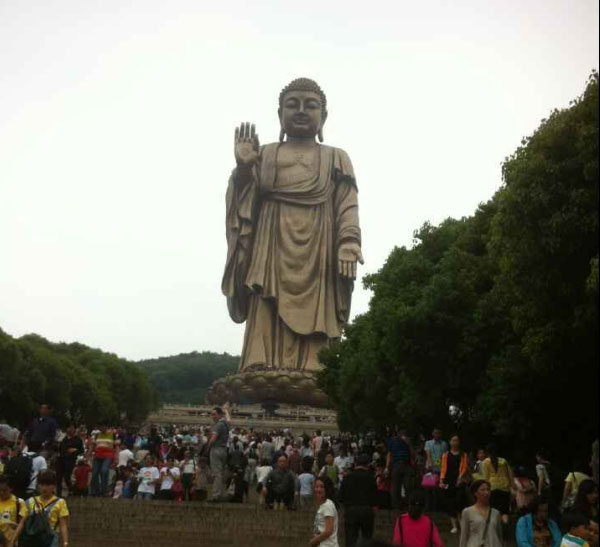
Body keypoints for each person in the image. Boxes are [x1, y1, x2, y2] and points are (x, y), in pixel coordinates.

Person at [13, 470, 69, 547]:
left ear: (54, 486)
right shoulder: (30, 502)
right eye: (42, 484)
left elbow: (63, 525)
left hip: (51, 541)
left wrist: (65, 542)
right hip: (32, 540)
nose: (44, 488)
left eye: (48, 485)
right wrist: (13, 540)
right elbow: (22, 523)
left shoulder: (60, 502)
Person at [339, 453, 378, 547]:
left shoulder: (347, 477)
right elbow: (375, 497)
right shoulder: (371, 478)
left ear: (356, 464)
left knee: (351, 540)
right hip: (367, 510)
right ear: (367, 465)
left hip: (351, 511)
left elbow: (341, 496)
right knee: (367, 539)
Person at [459, 480, 503, 547]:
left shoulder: (496, 513)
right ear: (475, 493)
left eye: (488, 489)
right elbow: (464, 536)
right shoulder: (467, 512)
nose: (486, 492)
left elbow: (499, 536)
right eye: (482, 490)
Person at [440, 434, 469, 533]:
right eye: (453, 440)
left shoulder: (463, 454)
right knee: (450, 503)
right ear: (450, 442)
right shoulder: (445, 455)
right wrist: (441, 480)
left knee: (459, 502)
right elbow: (443, 468)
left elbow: (464, 467)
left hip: (460, 481)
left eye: (457, 440)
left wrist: (460, 477)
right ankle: (454, 526)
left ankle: (462, 524)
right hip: (448, 480)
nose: (455, 442)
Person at [482, 444, 514, 525]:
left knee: (495, 511)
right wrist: (512, 487)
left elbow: (485, 478)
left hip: (493, 488)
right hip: (505, 488)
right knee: (505, 511)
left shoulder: (486, 462)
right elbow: (510, 475)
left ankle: (498, 528)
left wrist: (485, 490)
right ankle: (505, 525)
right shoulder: (503, 461)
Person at [386, 428, 414, 510]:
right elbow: (389, 454)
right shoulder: (393, 441)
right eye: (401, 433)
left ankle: (409, 505)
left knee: (408, 485)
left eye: (405, 433)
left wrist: (409, 445)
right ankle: (396, 506)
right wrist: (387, 467)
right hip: (396, 464)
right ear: (398, 433)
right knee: (395, 487)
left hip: (407, 464)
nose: (403, 434)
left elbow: (413, 454)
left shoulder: (409, 441)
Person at [207, 407, 229, 502]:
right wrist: (226, 411)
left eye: (214, 414)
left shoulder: (218, 425)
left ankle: (216, 495)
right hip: (223, 450)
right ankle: (221, 493)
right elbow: (229, 420)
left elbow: (213, 438)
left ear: (220, 415)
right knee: (220, 473)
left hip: (216, 449)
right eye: (212, 414)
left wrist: (208, 447)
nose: (212, 416)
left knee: (217, 474)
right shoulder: (225, 424)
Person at [311, 476, 339, 547]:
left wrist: (313, 541)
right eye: (316, 487)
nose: (318, 489)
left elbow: (328, 531)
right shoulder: (323, 505)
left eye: (322, 487)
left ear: (327, 488)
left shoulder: (327, 505)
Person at [55, 425, 83, 498]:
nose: (70, 430)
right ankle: (58, 493)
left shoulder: (77, 439)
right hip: (61, 458)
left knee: (67, 476)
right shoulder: (64, 439)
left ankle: (71, 490)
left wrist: (75, 450)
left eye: (71, 428)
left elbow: (81, 450)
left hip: (70, 459)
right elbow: (60, 448)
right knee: (58, 477)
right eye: (68, 428)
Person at [424, 429, 448, 512]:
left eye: (438, 433)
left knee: (439, 488)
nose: (437, 435)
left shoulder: (444, 444)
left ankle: (438, 507)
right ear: (432, 434)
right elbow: (428, 453)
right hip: (430, 468)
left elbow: (445, 455)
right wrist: (429, 462)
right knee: (429, 488)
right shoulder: (428, 443)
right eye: (435, 433)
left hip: (440, 469)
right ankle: (428, 507)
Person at [0, 474, 26, 547]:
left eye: (4, 490)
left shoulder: (19, 502)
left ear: (11, 488)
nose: (1, 493)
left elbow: (21, 523)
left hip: (11, 541)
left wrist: (12, 541)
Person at [90, 424, 115, 497]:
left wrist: (116, 458)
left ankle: (104, 491)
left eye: (103, 426)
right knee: (94, 473)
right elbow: (93, 445)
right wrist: (89, 454)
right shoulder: (97, 435)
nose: (102, 428)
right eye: (100, 426)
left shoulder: (112, 435)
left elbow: (116, 446)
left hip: (108, 455)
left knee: (104, 471)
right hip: (97, 455)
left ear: (106, 427)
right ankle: (95, 491)